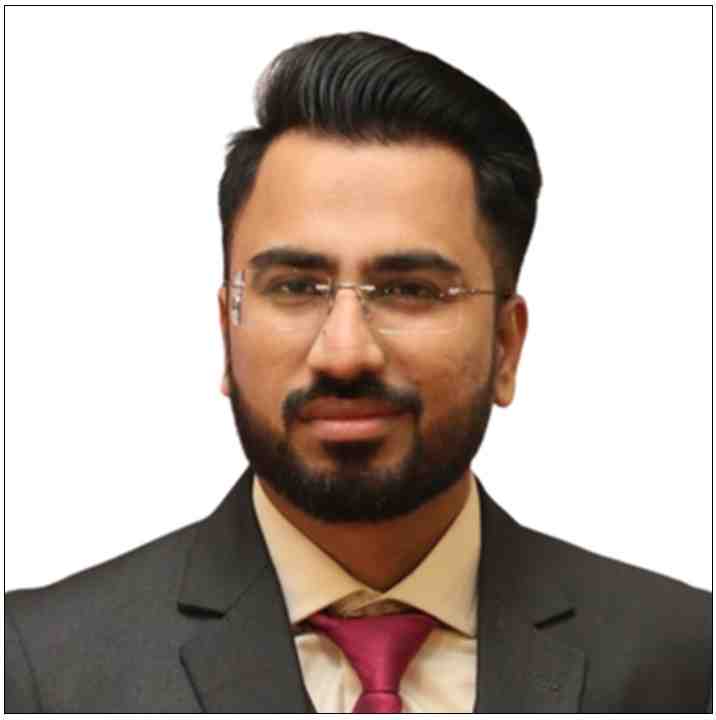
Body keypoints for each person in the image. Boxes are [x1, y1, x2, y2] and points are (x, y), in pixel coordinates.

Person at [5, 31, 711, 714]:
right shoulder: (36, 670)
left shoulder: (685, 660)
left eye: (409, 290)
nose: (344, 354)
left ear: (506, 345)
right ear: (226, 332)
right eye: (295, 287)